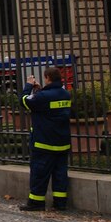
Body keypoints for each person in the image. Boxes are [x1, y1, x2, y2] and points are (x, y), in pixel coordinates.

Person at [20, 67, 72, 211]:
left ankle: (36, 202)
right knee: (60, 174)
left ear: (48, 77)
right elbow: (47, 104)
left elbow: (24, 101)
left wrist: (29, 86)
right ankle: (60, 203)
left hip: (44, 143)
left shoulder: (43, 97)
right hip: (62, 142)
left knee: (39, 174)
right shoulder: (66, 94)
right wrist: (40, 90)